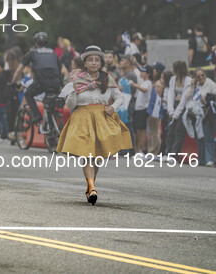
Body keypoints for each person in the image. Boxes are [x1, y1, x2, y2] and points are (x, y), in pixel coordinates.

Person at [56, 45, 132, 205]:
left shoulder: (107, 78)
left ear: (101, 62)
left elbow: (119, 98)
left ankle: (90, 185)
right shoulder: (76, 80)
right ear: (85, 63)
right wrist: (74, 92)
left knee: (97, 158)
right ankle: (91, 187)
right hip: (82, 118)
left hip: (102, 118)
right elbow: (70, 104)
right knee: (87, 156)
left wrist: (112, 107)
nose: (94, 63)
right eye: (90, 60)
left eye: (97, 60)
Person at [13, 32, 62, 124]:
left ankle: (37, 115)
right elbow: (61, 69)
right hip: (55, 81)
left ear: (35, 43)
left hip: (41, 81)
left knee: (28, 94)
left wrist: (12, 82)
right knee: (49, 101)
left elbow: (19, 70)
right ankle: (53, 126)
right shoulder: (53, 53)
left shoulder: (33, 53)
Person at [173, 68, 216, 166]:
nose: (201, 78)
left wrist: (206, 100)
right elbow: (187, 95)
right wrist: (192, 86)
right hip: (196, 115)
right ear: (195, 78)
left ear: (205, 75)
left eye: (202, 75)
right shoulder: (195, 85)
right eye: (198, 76)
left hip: (208, 114)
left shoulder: (212, 85)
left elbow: (214, 98)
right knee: (198, 137)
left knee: (207, 136)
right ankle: (202, 159)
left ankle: (210, 159)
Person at [166, 61, 192, 156]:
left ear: (178, 70)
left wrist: (176, 114)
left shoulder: (188, 81)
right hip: (174, 104)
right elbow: (170, 94)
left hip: (184, 107)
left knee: (179, 131)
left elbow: (184, 99)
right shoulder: (173, 79)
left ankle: (174, 154)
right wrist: (171, 110)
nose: (171, 70)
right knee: (170, 130)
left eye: (173, 68)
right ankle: (167, 153)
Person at [130, 65, 153, 155]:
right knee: (138, 130)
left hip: (143, 108)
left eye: (143, 72)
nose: (141, 73)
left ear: (148, 74)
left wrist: (134, 85)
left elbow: (144, 90)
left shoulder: (148, 82)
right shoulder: (143, 82)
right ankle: (138, 150)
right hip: (138, 108)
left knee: (142, 130)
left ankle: (144, 150)